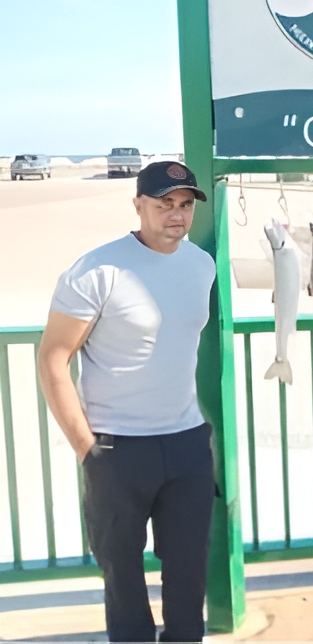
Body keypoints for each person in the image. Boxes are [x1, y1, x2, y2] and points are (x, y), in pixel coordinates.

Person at [37, 161, 217, 643]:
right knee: (122, 577)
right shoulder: (96, 271)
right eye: (164, 204)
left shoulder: (202, 266)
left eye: (185, 205)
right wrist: (87, 449)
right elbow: (53, 358)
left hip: (186, 443)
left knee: (189, 574)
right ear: (138, 205)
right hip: (117, 448)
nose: (176, 215)